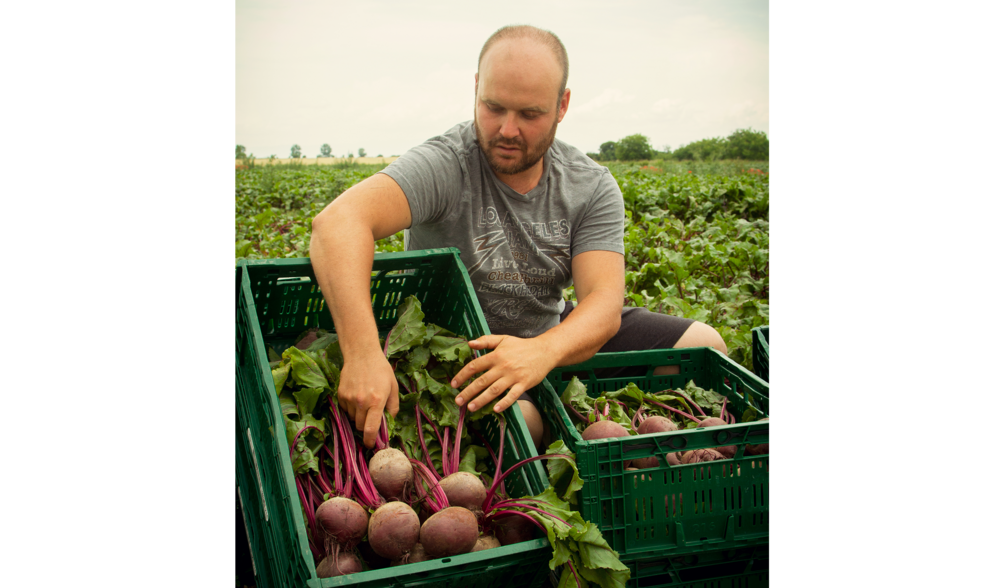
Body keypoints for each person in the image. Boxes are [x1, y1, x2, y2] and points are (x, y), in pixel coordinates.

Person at [309, 25, 726, 451]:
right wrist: (362, 354)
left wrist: (541, 352)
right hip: (456, 350)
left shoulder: (589, 185)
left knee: (705, 346)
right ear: (476, 89)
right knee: (522, 425)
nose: (507, 129)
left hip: (546, 332)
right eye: (493, 107)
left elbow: (603, 304)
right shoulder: (446, 164)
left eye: (529, 114)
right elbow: (338, 224)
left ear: (562, 105)